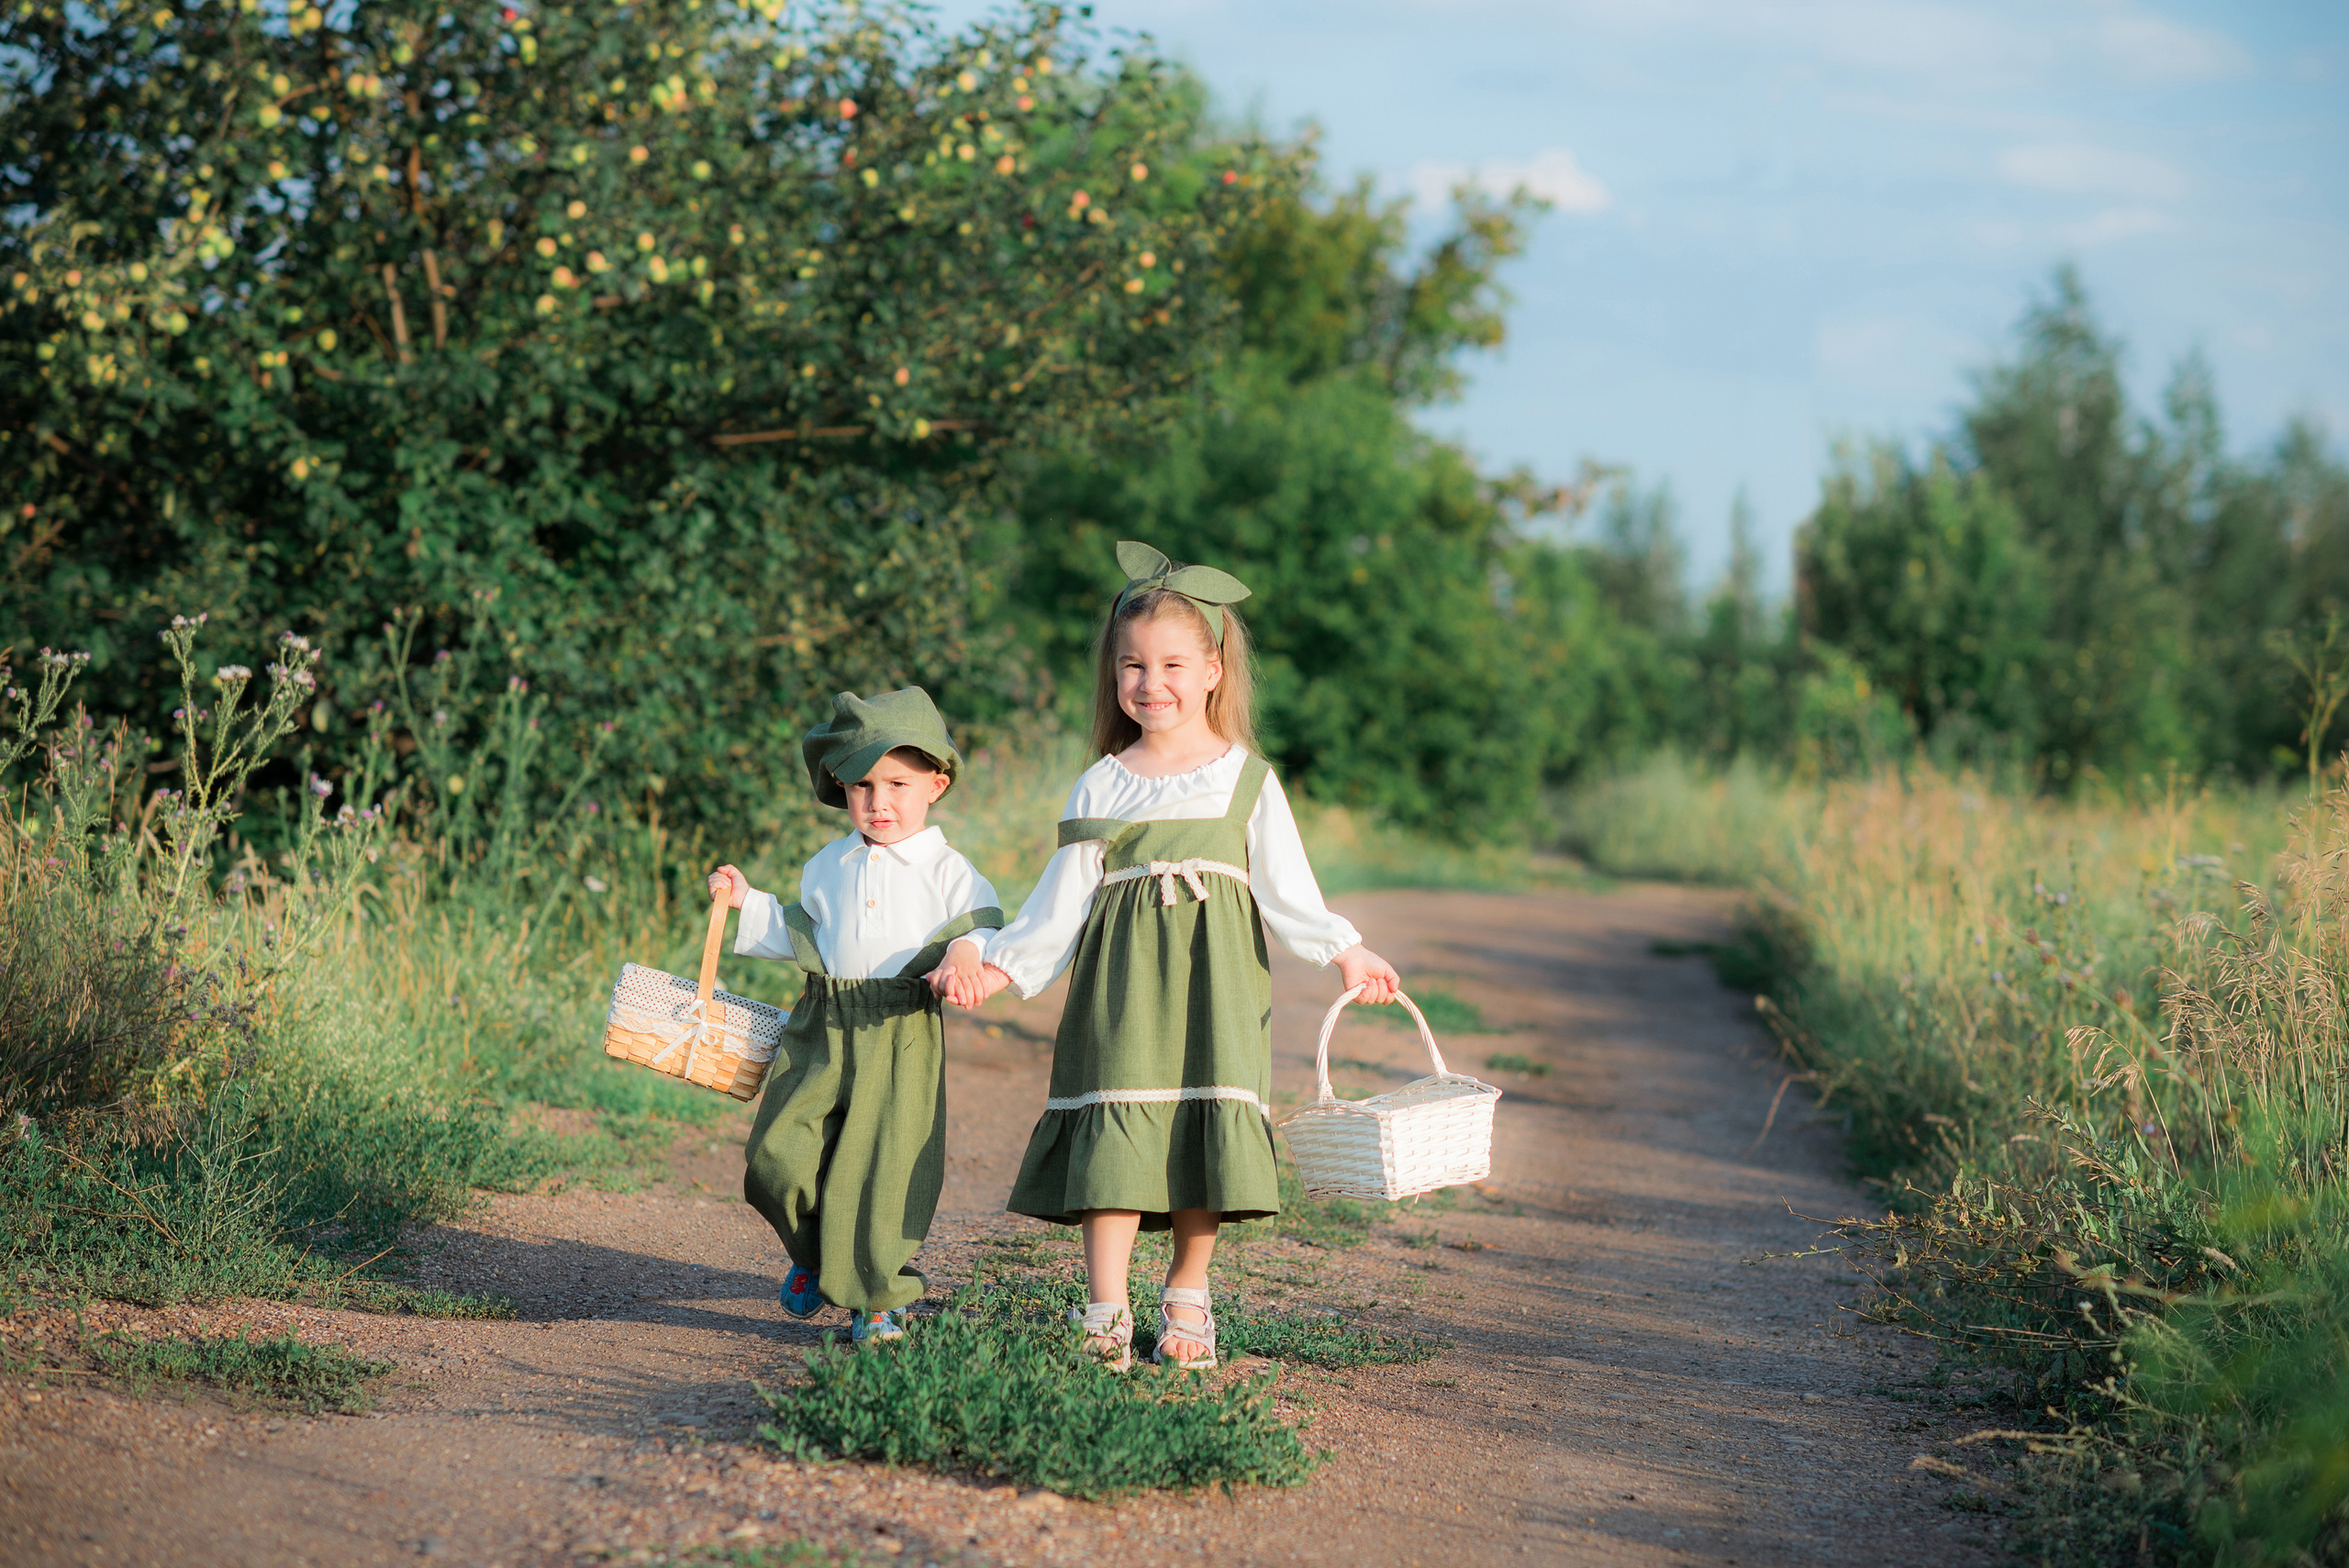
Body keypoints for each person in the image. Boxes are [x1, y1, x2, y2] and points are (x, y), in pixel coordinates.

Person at [938, 541, 1401, 1371]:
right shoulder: (1104, 782)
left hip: (1214, 981)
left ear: (1216, 669)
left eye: (1173, 663)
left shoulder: (1245, 778)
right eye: (1132, 665)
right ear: (1114, 676)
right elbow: (1060, 897)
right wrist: (999, 965)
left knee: (1199, 1134)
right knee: (1117, 1132)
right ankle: (1106, 1306)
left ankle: (1189, 1290)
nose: (1151, 683)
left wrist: (1346, 950)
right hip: (1120, 986)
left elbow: (1289, 887)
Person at [710, 688, 1001, 1344]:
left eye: (898, 782)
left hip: (898, 1029)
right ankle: (815, 1253)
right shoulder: (828, 864)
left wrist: (962, 956)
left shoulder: (947, 870)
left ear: (936, 783)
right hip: (822, 1022)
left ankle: (875, 1296)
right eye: (862, 785)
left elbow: (979, 926)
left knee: (881, 1166)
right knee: (776, 1155)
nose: (879, 802)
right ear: (841, 787)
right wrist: (745, 899)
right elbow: (800, 933)